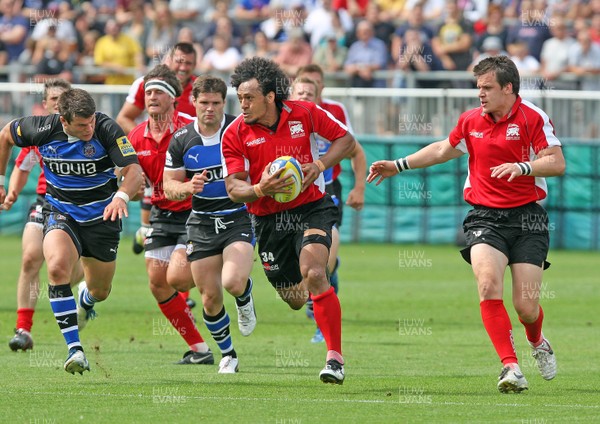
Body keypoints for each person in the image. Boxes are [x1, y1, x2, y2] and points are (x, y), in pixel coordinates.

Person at [367, 56, 565, 393]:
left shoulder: (533, 117)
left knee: (526, 306)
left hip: (528, 217)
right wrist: (398, 165)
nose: (480, 94)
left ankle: (537, 341)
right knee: (488, 285)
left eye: (487, 88)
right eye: (478, 88)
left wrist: (524, 167)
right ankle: (511, 367)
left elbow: (557, 163)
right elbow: (444, 149)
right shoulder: (471, 120)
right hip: (484, 216)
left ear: (508, 88)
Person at [221, 57, 357, 384]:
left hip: (312, 207)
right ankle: (288, 292)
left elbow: (347, 141)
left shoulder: (304, 113)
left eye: (249, 97)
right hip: (267, 220)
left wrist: (320, 164)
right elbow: (233, 188)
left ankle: (335, 359)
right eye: (240, 98)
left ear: (270, 96)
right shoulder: (235, 133)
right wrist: (258, 188)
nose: (243, 104)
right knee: (295, 299)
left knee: (314, 272)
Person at [0, 88, 144, 374]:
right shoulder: (40, 128)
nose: (89, 128)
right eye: (81, 124)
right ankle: (74, 349)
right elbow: (5, 135)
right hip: (59, 210)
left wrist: (121, 196)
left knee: (100, 290)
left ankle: (85, 300)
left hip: (102, 215)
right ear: (63, 120)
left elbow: (134, 170)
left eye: (90, 121)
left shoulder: (106, 128)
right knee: (55, 268)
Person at [163, 75, 257, 374]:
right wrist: (188, 187)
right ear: (193, 102)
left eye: (216, 103)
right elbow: (168, 186)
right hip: (201, 223)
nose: (210, 109)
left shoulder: (241, 129)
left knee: (232, 282)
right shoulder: (181, 139)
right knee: (210, 296)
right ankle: (228, 354)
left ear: (223, 103)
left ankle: (244, 297)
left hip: (237, 216)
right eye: (203, 103)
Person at [127, 64, 211, 365]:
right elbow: (133, 179)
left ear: (174, 98)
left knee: (177, 278)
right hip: (162, 214)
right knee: (156, 282)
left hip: (196, 213)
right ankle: (200, 350)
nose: (151, 97)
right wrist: (131, 190)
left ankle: (229, 283)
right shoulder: (136, 137)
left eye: (158, 93)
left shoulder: (192, 129)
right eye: (147, 92)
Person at [4, 79, 83, 352]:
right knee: (29, 259)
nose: (58, 104)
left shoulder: (86, 130)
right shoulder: (37, 134)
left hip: (80, 208)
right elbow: (22, 166)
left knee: (68, 271)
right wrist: (11, 192)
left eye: (64, 99)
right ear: (45, 104)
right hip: (45, 202)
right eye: (54, 99)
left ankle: (85, 294)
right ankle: (23, 328)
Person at [293, 64, 367, 344]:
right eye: (301, 90)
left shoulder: (332, 114)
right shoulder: (282, 118)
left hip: (326, 195)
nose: (306, 94)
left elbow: (355, 150)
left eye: (311, 88)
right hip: (290, 199)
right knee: (298, 276)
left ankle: (322, 324)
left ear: (320, 89)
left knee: (323, 261)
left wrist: (359, 188)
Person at [116, 42, 198, 255]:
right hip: (160, 196)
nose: (183, 67)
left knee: (181, 271)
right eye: (179, 61)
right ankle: (145, 229)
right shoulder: (143, 84)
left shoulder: (199, 90)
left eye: (188, 63)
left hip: (193, 202)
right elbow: (124, 117)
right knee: (157, 279)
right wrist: (147, 143)